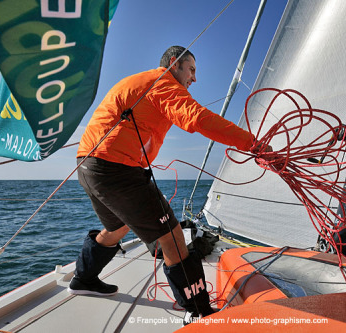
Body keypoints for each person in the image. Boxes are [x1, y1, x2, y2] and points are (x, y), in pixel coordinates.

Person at [68, 45, 268, 323]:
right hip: (117, 168)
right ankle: (198, 312)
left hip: (89, 166)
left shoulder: (141, 81)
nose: (194, 79)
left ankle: (83, 278)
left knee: (117, 226)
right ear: (174, 64)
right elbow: (197, 118)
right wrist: (252, 144)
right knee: (172, 236)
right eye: (191, 69)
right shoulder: (162, 83)